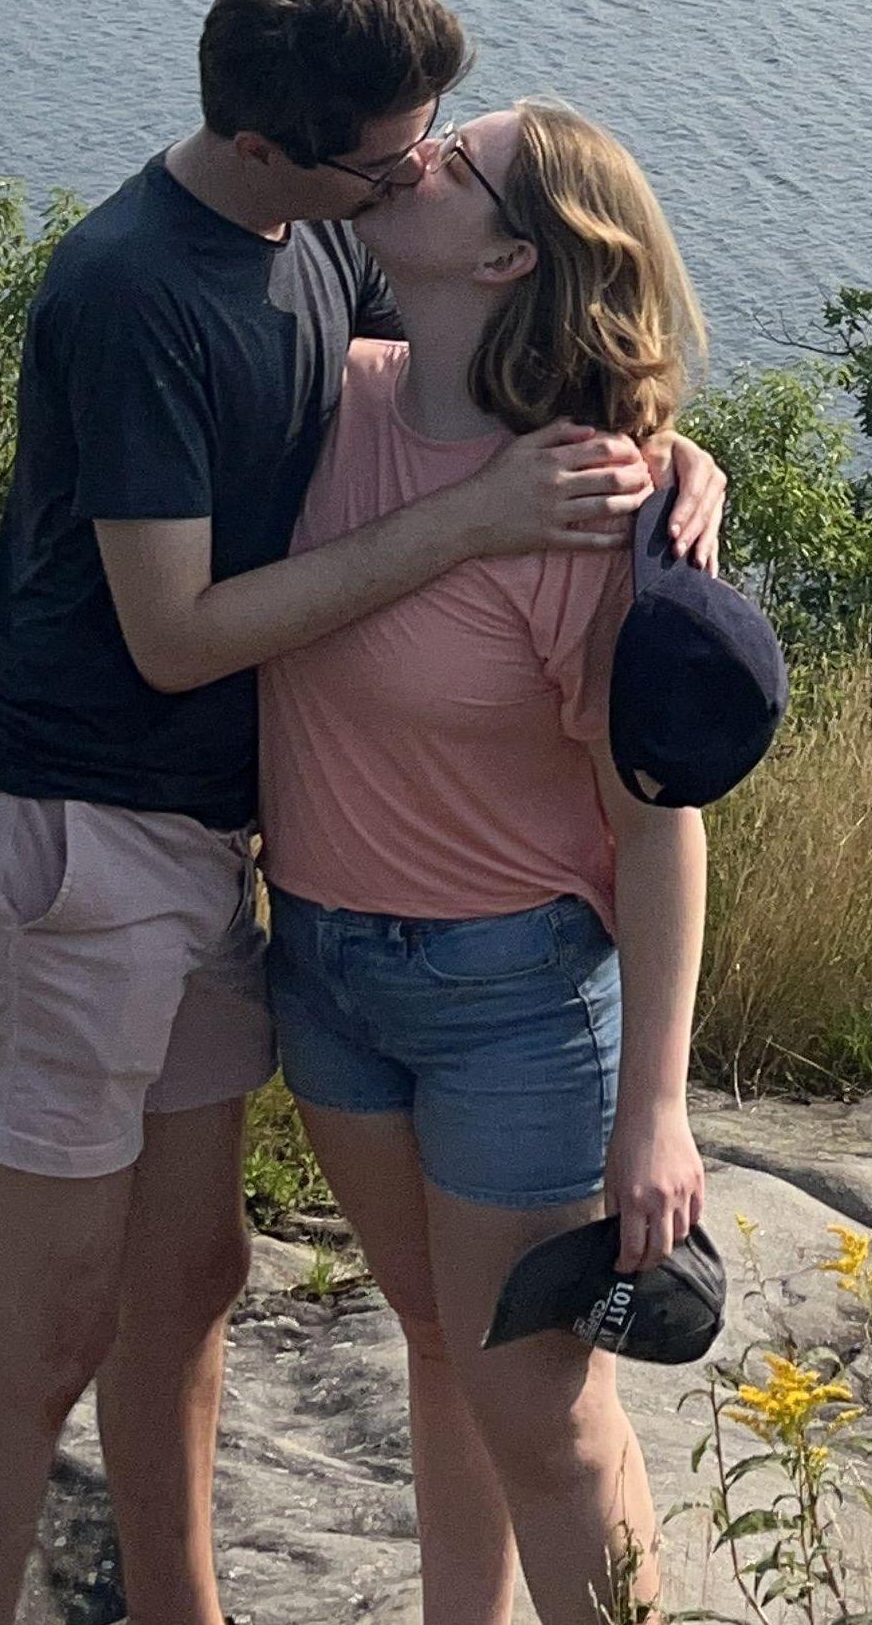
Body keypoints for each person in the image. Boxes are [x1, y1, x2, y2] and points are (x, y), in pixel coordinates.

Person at [0, 0, 725, 1625]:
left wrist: (668, 460)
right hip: (91, 857)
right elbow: (178, 636)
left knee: (230, 1296)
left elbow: (490, 382)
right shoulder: (150, 297)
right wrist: (481, 519)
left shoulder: (327, 257)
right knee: (58, 1336)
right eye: (398, 153)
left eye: (443, 150)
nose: (413, 169)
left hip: (309, 908)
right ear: (277, 154)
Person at [259, 98, 713, 1625]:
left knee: (548, 1417)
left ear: (511, 255)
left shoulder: (588, 507)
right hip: (323, 972)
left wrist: (656, 1112)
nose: (417, 154)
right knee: (442, 1346)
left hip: (513, 1000)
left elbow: (659, 822)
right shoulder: (330, 393)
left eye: (459, 161)